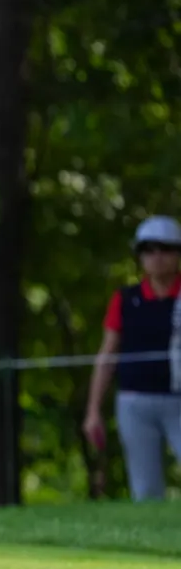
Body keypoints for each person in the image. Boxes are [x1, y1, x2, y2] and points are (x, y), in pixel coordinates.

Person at [83, 215, 181, 502]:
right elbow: (107, 355)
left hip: (179, 399)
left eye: (165, 249)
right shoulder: (126, 299)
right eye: (148, 250)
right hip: (134, 402)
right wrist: (93, 410)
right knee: (145, 489)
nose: (157, 256)